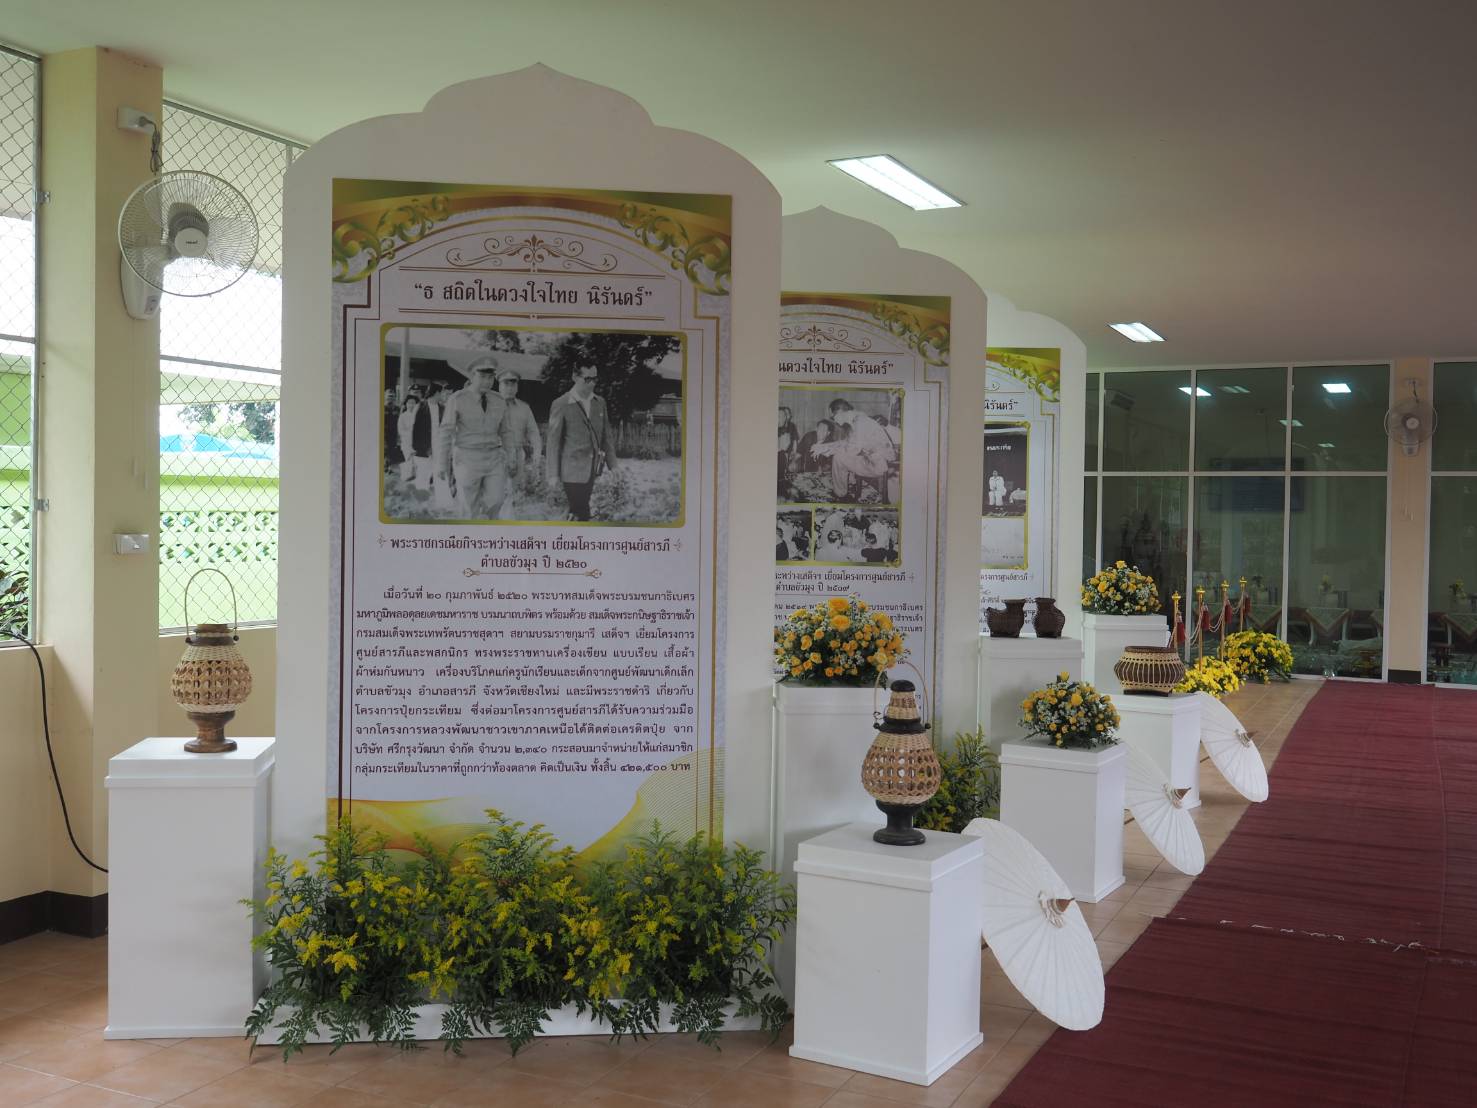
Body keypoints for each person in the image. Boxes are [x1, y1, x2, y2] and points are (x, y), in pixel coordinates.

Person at [438, 356, 514, 519]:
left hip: (493, 458)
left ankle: (486, 528)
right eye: (482, 376)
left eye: (490, 377)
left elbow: (506, 432)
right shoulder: (458, 399)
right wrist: (442, 463)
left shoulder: (499, 400)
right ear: (472, 376)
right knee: (468, 507)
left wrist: (512, 457)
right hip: (467, 458)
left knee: (496, 500)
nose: (487, 381)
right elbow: (446, 432)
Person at [546, 364, 619, 522]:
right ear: (575, 377)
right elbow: (553, 442)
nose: (592, 384)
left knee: (578, 512)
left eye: (595, 379)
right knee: (581, 512)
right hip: (571, 471)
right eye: (587, 379)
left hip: (592, 469)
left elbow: (607, 437)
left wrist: (613, 466)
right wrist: (553, 475)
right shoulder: (561, 403)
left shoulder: (600, 402)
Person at [809, 398, 894, 501]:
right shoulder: (858, 420)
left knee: (839, 457)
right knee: (841, 455)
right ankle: (843, 491)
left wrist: (826, 450)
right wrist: (823, 447)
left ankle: (841, 495)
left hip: (878, 466)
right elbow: (845, 442)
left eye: (833, 416)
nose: (834, 420)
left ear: (840, 412)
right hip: (872, 461)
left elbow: (852, 449)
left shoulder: (860, 422)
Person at [495, 366, 542, 520]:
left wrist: (537, 454)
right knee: (495, 493)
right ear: (499, 385)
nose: (510, 388)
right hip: (496, 454)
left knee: (511, 492)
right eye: (506, 384)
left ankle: (507, 521)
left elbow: (533, 432)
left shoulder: (524, 408)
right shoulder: (491, 405)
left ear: (517, 387)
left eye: (513, 384)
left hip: (517, 454)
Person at [396, 393, 419, 483]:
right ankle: (409, 478)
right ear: (406, 404)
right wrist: (410, 434)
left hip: (418, 442)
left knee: (417, 462)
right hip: (407, 442)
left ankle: (417, 479)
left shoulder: (419, 415)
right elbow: (401, 430)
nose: (411, 405)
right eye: (409, 403)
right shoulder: (403, 416)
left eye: (413, 403)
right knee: (409, 461)